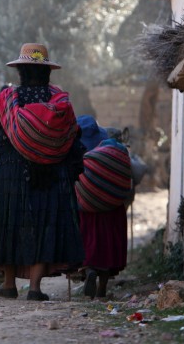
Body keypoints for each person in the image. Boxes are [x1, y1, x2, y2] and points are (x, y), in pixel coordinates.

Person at [0, 43, 85, 301]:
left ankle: (8, 284)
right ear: (47, 72)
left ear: (21, 71)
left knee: (10, 223)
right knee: (43, 225)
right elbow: (72, 134)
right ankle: (36, 288)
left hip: (10, 171)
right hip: (48, 173)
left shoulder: (7, 99)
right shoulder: (59, 100)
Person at [75, 115, 132, 299]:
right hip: (113, 207)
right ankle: (102, 287)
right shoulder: (110, 150)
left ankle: (89, 270)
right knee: (109, 244)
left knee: (89, 239)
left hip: (87, 207)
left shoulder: (77, 151)